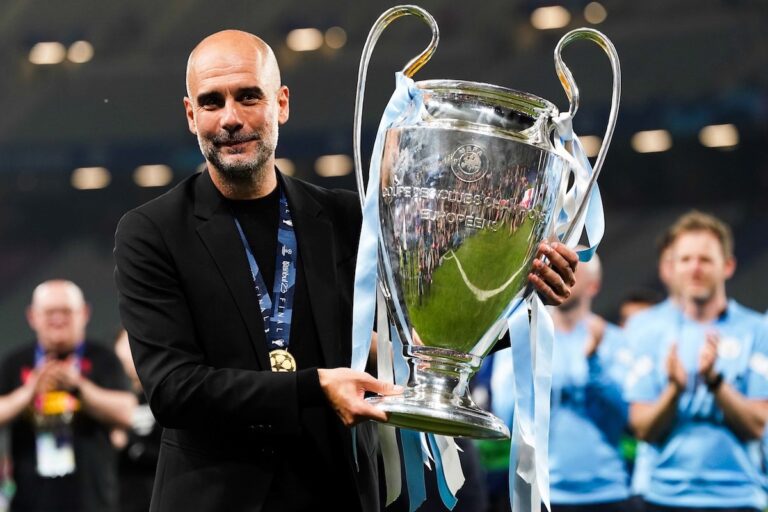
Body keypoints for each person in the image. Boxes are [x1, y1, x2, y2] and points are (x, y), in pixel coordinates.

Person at [113, 29, 578, 512]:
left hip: (333, 493)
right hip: (211, 499)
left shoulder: (347, 219)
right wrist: (314, 387)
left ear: (281, 103)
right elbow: (174, 390)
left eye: (248, 96)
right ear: (191, 115)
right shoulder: (152, 232)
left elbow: (422, 335)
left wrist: (522, 297)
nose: (230, 118)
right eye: (212, 102)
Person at [625, 211, 768, 512]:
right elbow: (642, 429)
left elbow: (757, 425)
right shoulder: (647, 330)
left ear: (728, 266)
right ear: (672, 267)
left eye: (705, 259)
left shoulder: (757, 330)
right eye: (686, 259)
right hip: (663, 498)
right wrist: (674, 389)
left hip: (739, 498)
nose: (695, 268)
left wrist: (715, 382)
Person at [491, 252, 633, 512]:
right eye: (556, 268)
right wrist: (527, 357)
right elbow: (505, 416)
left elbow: (625, 418)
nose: (560, 275)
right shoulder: (521, 338)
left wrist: (595, 366)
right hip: (541, 491)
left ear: (593, 285)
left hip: (607, 490)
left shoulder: (613, 340)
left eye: (572, 270)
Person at [0, 280, 136, 512]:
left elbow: (127, 412)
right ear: (32, 316)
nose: (58, 319)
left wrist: (79, 387)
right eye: (49, 312)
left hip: (93, 499)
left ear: (84, 313)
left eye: (66, 311)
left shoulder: (104, 358)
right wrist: (29, 392)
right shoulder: (16, 362)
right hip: (30, 500)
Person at [111, 329, 160, 512]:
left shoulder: (162, 396)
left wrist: (130, 445)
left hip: (159, 490)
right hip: (127, 497)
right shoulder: (116, 400)